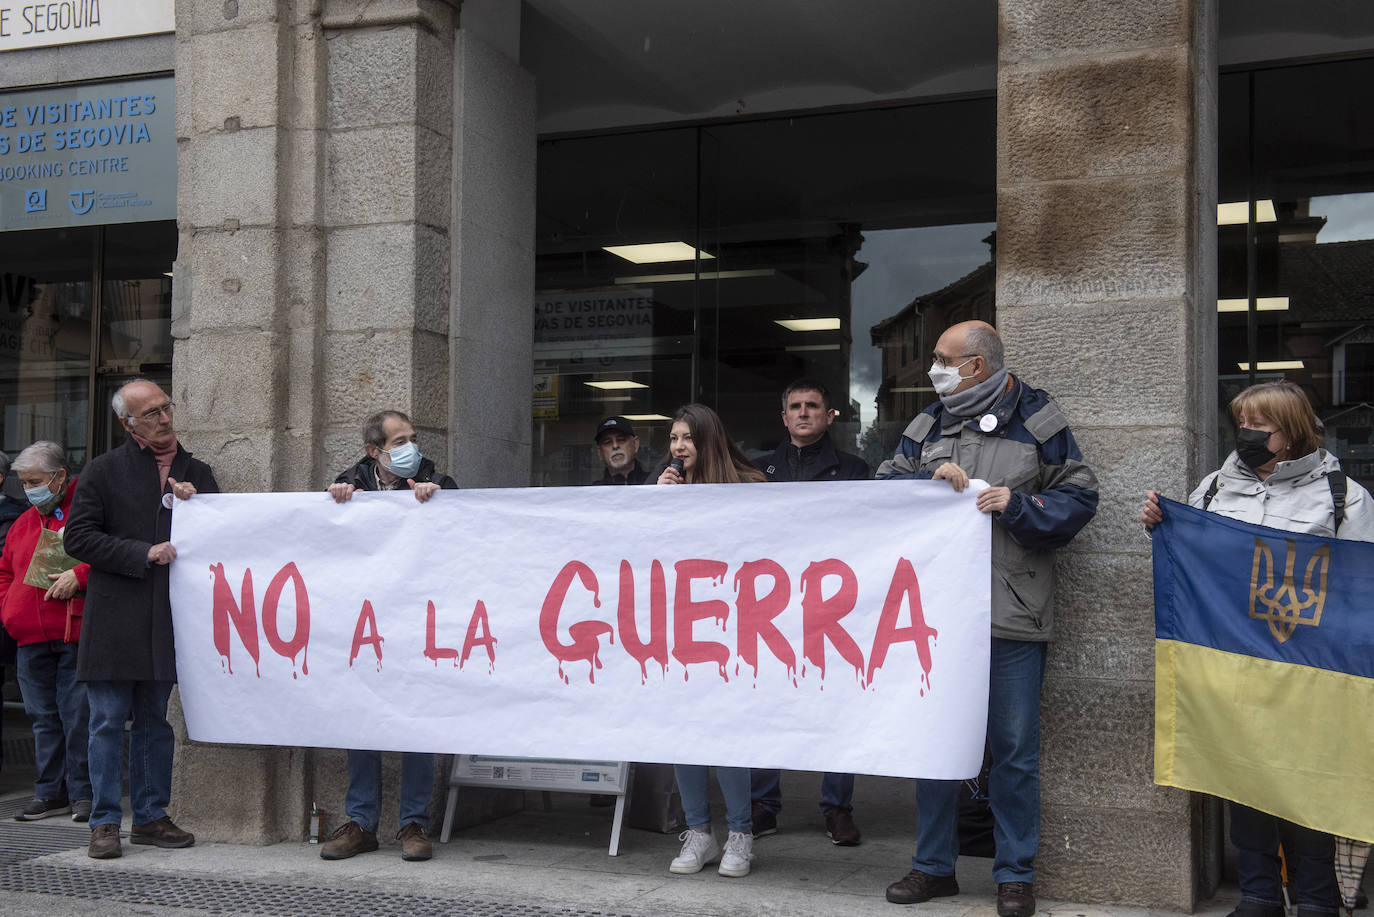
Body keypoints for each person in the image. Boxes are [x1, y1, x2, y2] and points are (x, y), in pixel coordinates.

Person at [876, 321, 1098, 917]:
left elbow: (1080, 497)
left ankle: (1015, 875)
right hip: (938, 617)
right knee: (936, 745)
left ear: (975, 365)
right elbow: (883, 489)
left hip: (1013, 613)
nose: (934, 369)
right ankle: (932, 867)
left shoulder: (1038, 418)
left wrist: (1019, 504)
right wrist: (926, 481)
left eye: (942, 359)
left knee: (1014, 750)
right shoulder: (928, 423)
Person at [1141, 381, 1371, 917]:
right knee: (1240, 774)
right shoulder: (1214, 489)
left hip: (1309, 669)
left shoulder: (1344, 496)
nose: (1245, 433)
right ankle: (1259, 894)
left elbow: (1360, 586)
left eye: (1259, 426)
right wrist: (1161, 528)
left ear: (1291, 431)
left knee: (1308, 780)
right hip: (1234, 662)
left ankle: (1317, 899)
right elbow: (1195, 563)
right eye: (1241, 423)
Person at [65, 379, 219, 860]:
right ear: (127, 423)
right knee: (107, 723)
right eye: (151, 413)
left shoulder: (198, 471)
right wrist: (141, 552)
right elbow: (78, 538)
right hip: (113, 619)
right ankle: (105, 822)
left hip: (169, 618)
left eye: (166, 407)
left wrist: (198, 507)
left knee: (156, 721)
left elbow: (219, 541)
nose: (164, 418)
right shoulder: (103, 470)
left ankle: (151, 817)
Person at [321, 409, 456, 863]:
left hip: (417, 625)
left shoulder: (439, 483)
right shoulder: (348, 485)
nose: (410, 448)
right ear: (373, 451)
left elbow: (462, 542)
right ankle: (361, 823)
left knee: (416, 719)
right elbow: (322, 547)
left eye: (412, 438)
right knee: (361, 716)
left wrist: (438, 505)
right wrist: (336, 502)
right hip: (365, 627)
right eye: (399, 442)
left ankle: (414, 823)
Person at [749, 379, 869, 846]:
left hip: (831, 606)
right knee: (767, 704)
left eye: (812, 406)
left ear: (829, 415)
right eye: (795, 406)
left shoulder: (856, 471)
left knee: (837, 706)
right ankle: (763, 805)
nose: (803, 413)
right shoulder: (756, 472)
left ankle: (838, 809)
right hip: (772, 606)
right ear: (783, 418)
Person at [657, 403, 766, 878]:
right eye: (673, 438)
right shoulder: (665, 487)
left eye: (687, 437)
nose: (679, 447)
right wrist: (659, 504)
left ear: (708, 439)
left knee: (727, 730)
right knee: (684, 730)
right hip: (682, 626)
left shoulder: (749, 486)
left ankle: (741, 834)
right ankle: (699, 832)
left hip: (733, 624)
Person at [0, 442, 91, 822]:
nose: (28, 490)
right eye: (24, 483)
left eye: (35, 482)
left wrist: (80, 576)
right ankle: (50, 792)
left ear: (59, 477)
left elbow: (106, 554)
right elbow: (5, 571)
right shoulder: (23, 522)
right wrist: (9, 609)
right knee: (42, 718)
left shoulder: (85, 512)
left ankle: (82, 793)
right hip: (30, 637)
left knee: (77, 718)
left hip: (73, 632)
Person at [591, 415, 650, 485]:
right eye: (608, 442)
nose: (615, 446)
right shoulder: (592, 490)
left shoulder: (656, 484)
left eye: (621, 440)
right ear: (600, 452)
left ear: (635, 444)